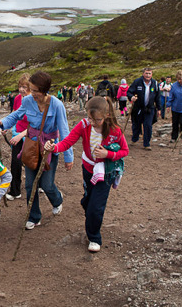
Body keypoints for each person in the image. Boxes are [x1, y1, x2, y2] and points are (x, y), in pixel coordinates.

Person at [45, 97, 128, 253]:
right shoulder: (84, 125)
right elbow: (68, 141)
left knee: (96, 207)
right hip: (88, 169)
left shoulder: (115, 130)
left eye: (96, 119)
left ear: (106, 116)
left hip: (106, 172)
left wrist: (107, 154)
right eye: (89, 118)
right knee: (88, 201)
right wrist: (54, 148)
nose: (92, 122)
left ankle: (94, 237)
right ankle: (88, 207)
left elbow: (125, 151)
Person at [0, 71, 73, 230]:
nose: (32, 94)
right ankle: (34, 216)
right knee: (30, 185)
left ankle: (57, 200)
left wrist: (68, 157)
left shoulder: (56, 105)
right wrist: (3, 123)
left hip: (49, 148)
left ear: (45, 90)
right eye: (32, 89)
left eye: (35, 90)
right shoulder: (28, 101)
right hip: (31, 146)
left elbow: (64, 131)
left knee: (47, 184)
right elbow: (17, 115)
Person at [5, 73, 31, 201]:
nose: (22, 89)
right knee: (15, 162)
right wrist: (6, 126)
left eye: (25, 87)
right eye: (20, 86)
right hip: (18, 132)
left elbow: (35, 124)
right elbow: (15, 115)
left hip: (32, 135)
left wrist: (22, 135)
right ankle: (15, 190)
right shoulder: (17, 99)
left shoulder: (36, 100)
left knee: (33, 161)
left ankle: (40, 183)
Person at [126, 68, 161, 150]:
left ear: (151, 74)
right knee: (136, 124)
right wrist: (132, 97)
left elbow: (157, 97)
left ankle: (146, 143)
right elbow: (129, 92)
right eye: (146, 73)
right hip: (138, 107)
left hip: (150, 108)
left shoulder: (155, 83)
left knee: (148, 125)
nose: (148, 75)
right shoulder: (137, 82)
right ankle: (135, 138)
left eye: (149, 73)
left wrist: (159, 109)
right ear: (143, 74)